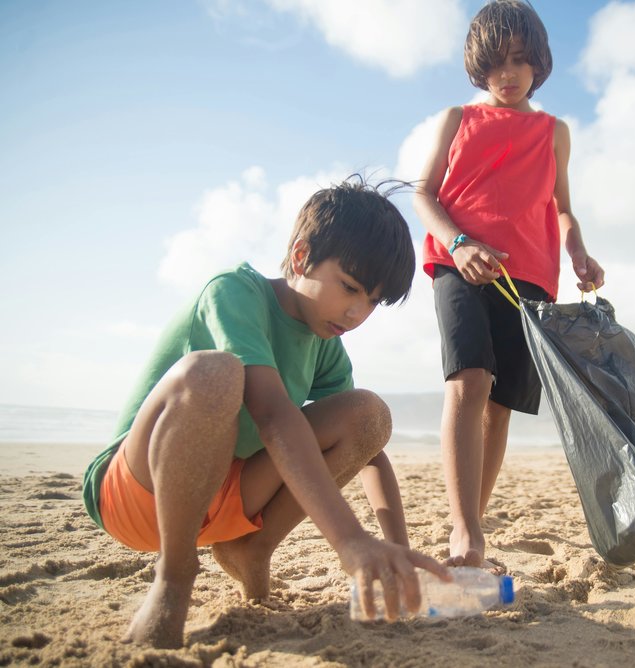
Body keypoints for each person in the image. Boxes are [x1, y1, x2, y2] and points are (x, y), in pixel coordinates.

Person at [82, 177, 449, 648]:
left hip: (227, 502)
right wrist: (349, 541)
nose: (359, 312)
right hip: (139, 493)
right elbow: (274, 416)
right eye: (351, 288)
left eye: (373, 301)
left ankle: (251, 547)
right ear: (301, 256)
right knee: (214, 373)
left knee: (368, 414)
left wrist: (396, 548)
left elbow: (369, 450)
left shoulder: (325, 341)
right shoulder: (234, 292)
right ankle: (173, 579)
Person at [414, 0, 605, 569]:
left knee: (501, 404)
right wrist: (459, 244)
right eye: (497, 63)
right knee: (469, 381)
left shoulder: (554, 132)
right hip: (461, 263)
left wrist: (579, 252)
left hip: (531, 275)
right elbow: (423, 194)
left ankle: (474, 525)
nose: (509, 73)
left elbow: (562, 209)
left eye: (520, 60)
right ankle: (465, 532)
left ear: (539, 64)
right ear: (480, 68)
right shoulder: (458, 119)